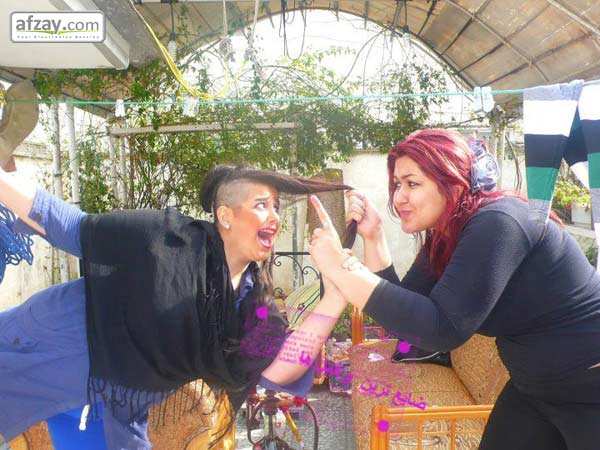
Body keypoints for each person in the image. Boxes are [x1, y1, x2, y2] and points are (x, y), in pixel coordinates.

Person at [0, 162, 351, 450]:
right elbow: (70, 224)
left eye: (276, 206)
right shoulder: (165, 237)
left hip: (114, 401)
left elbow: (279, 367)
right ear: (226, 215)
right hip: (46, 342)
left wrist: (335, 294)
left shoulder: (252, 305)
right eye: (262, 205)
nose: (274, 216)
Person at [307, 129, 600, 450]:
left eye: (412, 183)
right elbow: (408, 322)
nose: (399, 197)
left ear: (453, 182)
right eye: (397, 185)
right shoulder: (449, 234)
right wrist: (374, 236)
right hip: (533, 385)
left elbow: (442, 329)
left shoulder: (499, 221)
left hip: (588, 386)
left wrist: (342, 270)